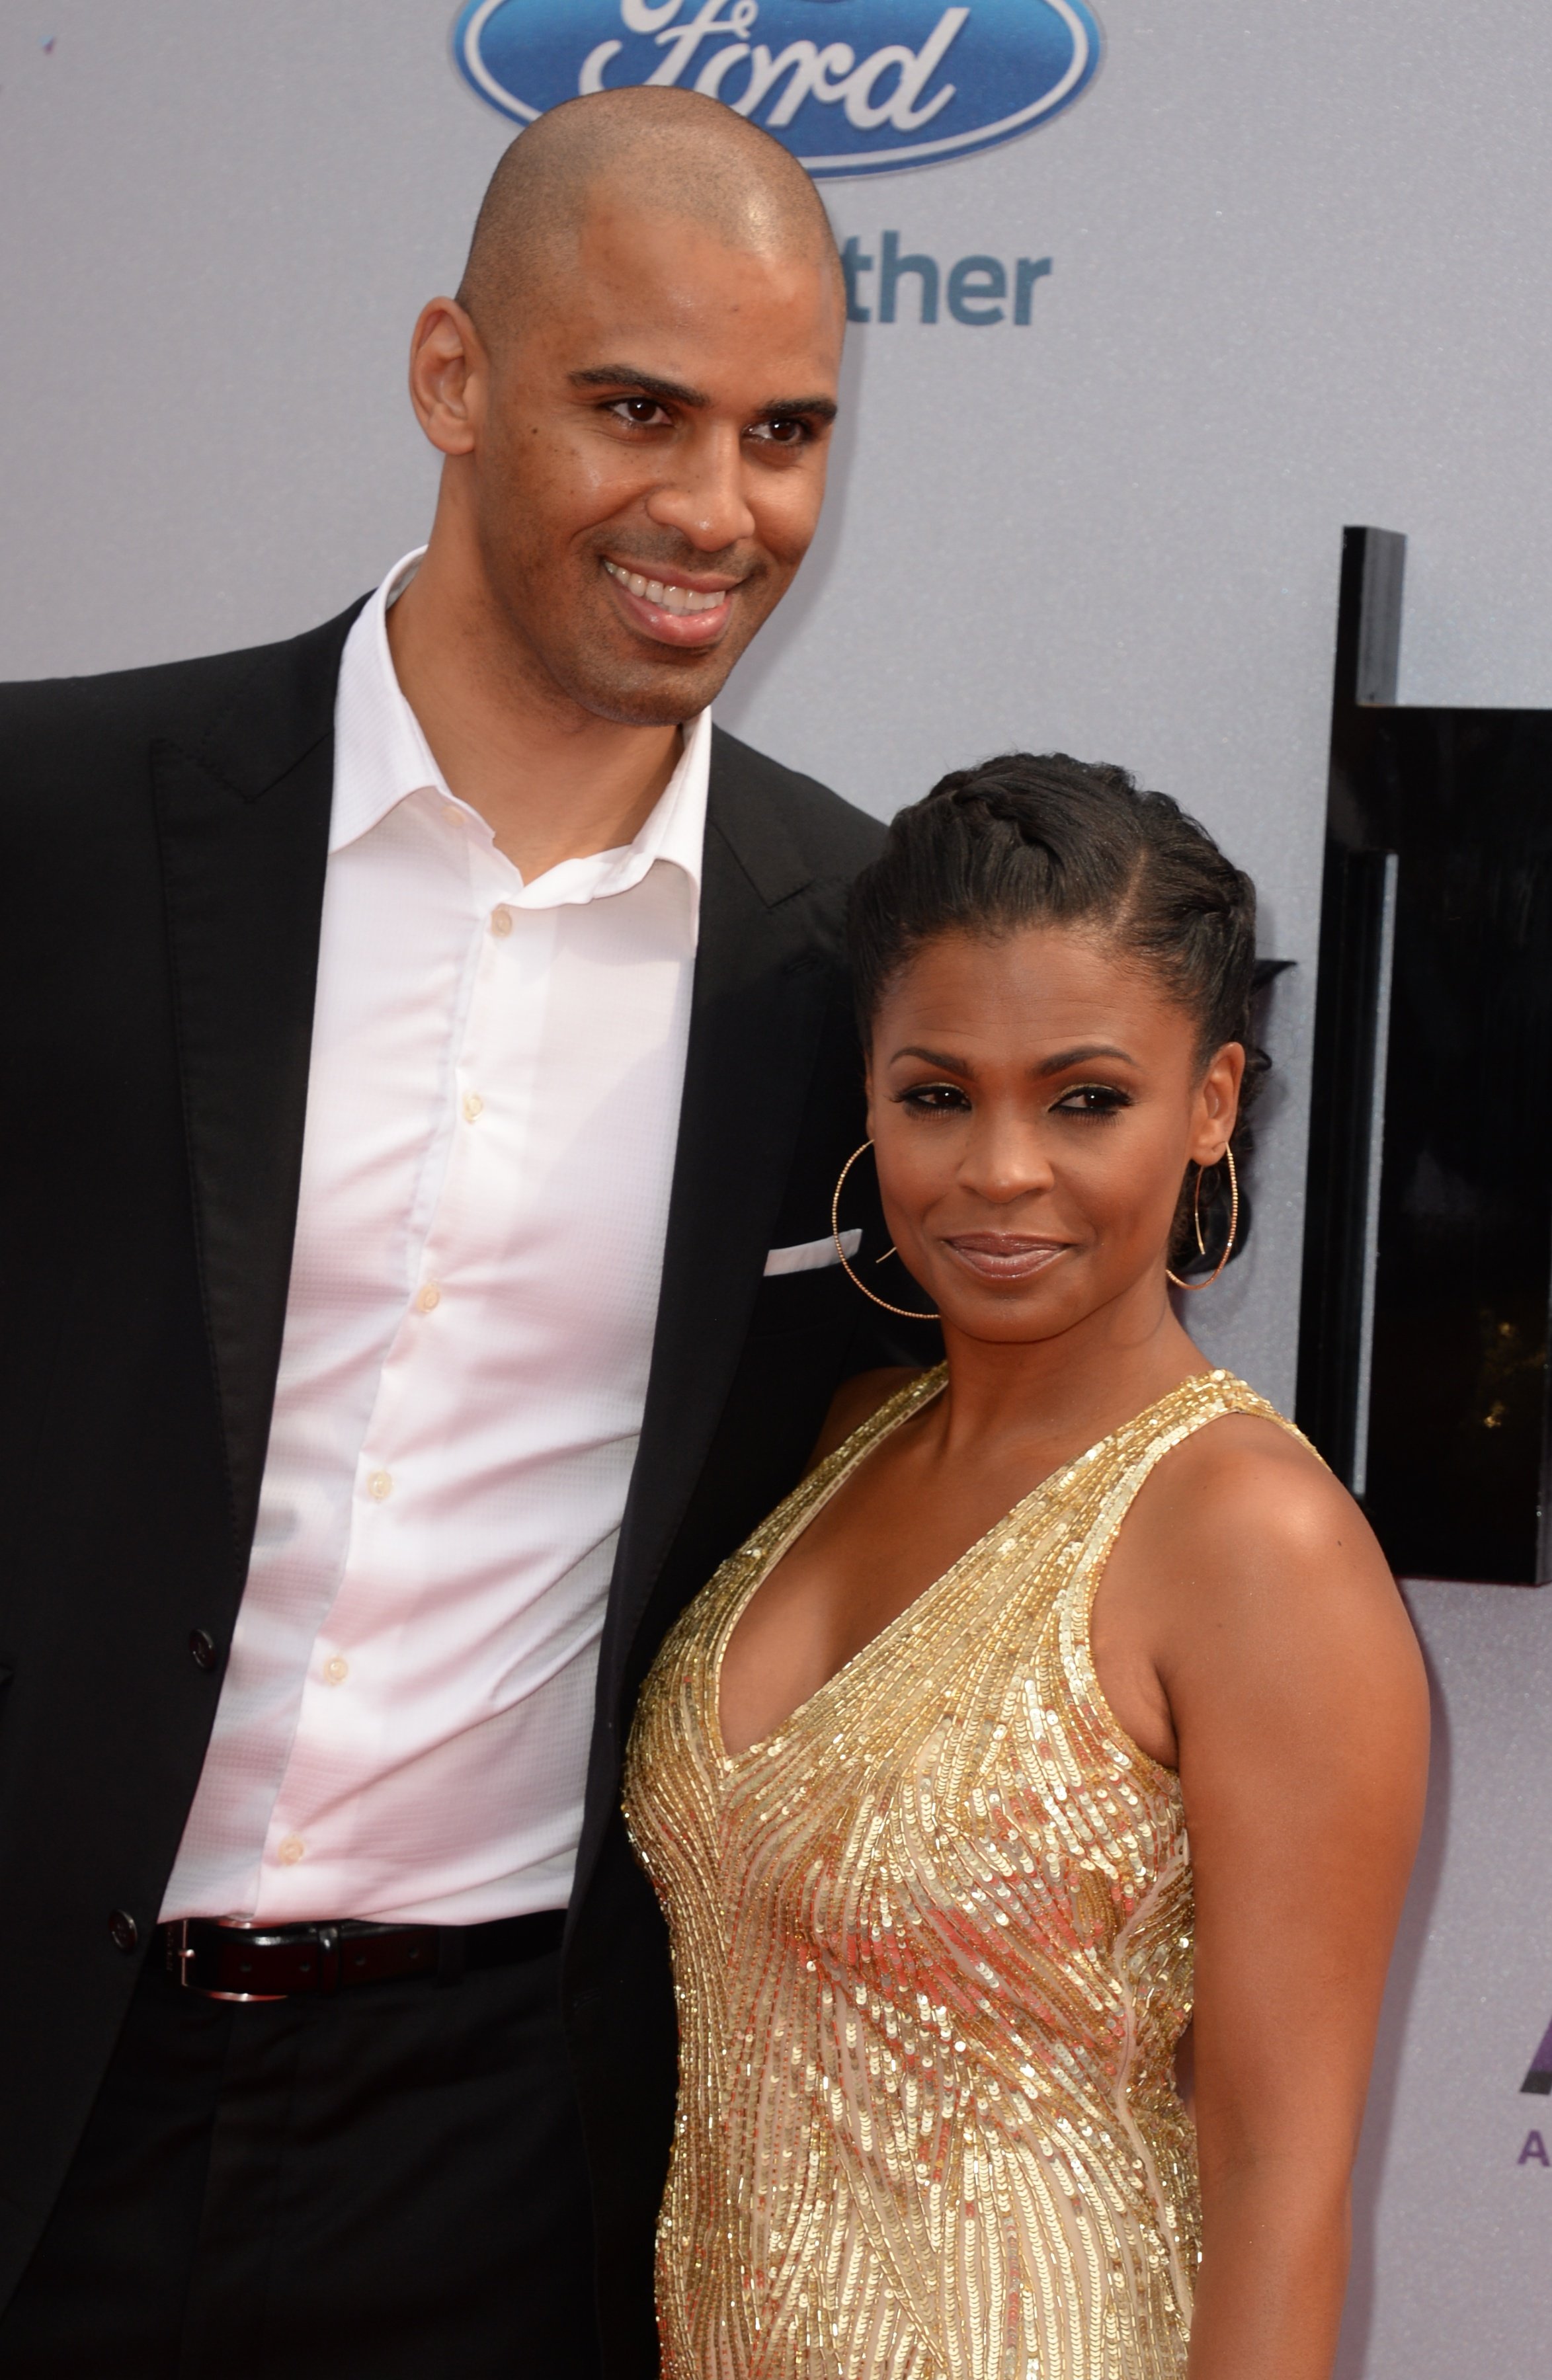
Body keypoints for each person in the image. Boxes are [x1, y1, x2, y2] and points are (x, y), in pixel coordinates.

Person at [0, 86, 930, 2380]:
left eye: (783, 432)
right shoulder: (52, 826)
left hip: (511, 2143)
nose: (715, 511)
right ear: (450, 376)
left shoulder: (858, 974)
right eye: (637, 409)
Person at [625, 752, 1430, 2380]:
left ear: (1210, 1104)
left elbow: (1281, 2186)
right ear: (870, 1095)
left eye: (1083, 1099)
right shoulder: (846, 1433)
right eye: (939, 1095)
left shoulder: (1250, 1540)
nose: (998, 1172)